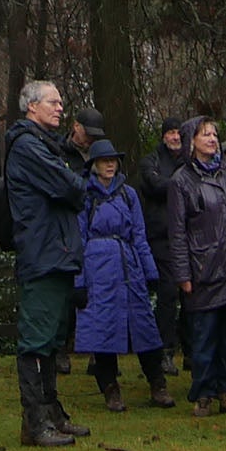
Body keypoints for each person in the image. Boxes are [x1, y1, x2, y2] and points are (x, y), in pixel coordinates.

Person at [3, 80, 89, 447]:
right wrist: (71, 184)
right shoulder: (27, 147)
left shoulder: (46, 146)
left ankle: (52, 412)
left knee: (53, 340)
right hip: (42, 256)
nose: (60, 108)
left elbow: (72, 187)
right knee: (37, 341)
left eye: (61, 102)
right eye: (53, 102)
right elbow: (72, 188)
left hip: (58, 255)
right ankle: (35, 423)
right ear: (31, 107)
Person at [163, 117, 226, 417]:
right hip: (203, 268)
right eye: (206, 134)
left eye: (215, 134)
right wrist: (182, 274)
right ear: (192, 140)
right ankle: (203, 393)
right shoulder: (181, 181)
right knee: (203, 336)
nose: (213, 139)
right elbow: (177, 232)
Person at [76, 140, 174, 411]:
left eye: (113, 160)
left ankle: (158, 385)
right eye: (104, 160)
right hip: (98, 270)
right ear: (94, 164)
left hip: (128, 267)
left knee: (145, 329)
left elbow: (140, 236)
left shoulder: (128, 195)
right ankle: (111, 390)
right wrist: (79, 281)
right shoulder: (85, 196)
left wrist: (150, 271)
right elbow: (78, 240)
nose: (110, 165)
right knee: (102, 330)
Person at [135, 118, 189, 373]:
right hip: (162, 237)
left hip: (190, 237)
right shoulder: (152, 160)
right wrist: (183, 185)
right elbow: (153, 185)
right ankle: (165, 351)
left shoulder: (190, 160)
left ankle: (192, 350)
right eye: (170, 132)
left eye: (179, 132)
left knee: (193, 296)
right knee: (167, 295)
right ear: (163, 136)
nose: (175, 136)